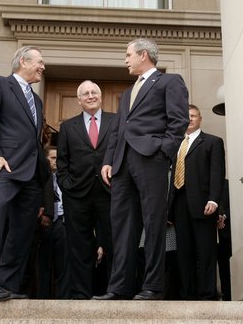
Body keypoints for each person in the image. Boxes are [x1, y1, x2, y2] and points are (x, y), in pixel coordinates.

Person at [94, 38, 189, 300]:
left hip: (151, 159)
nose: (125, 60)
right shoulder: (126, 94)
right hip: (122, 164)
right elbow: (117, 130)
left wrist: (163, 151)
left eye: (128, 55)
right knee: (123, 227)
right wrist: (108, 160)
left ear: (143, 54)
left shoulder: (170, 82)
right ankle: (118, 288)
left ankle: (153, 286)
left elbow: (179, 120)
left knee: (154, 223)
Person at [0, 46, 50, 301]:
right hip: (3, 168)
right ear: (23, 62)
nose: (43, 67)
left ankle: (6, 285)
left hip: (31, 177)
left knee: (22, 231)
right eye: (39, 62)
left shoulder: (36, 100)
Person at [56, 80, 116, 299]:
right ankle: (81, 292)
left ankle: (113, 291)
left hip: (109, 193)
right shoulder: (67, 127)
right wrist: (67, 184)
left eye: (94, 92)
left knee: (112, 243)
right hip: (77, 195)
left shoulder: (116, 121)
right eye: (85, 93)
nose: (91, 96)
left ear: (100, 97)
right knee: (79, 246)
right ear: (79, 100)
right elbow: (62, 161)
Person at [169, 104, 225, 300]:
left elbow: (217, 173)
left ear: (200, 119)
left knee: (206, 251)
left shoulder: (212, 142)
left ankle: (208, 294)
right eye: (186, 116)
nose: (190, 119)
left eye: (193, 115)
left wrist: (214, 200)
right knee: (183, 252)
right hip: (178, 204)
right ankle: (187, 294)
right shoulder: (174, 145)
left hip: (203, 204)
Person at [37, 146, 71, 299]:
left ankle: (63, 297)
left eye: (59, 158)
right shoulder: (40, 177)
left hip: (63, 222)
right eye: (53, 158)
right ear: (45, 160)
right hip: (44, 223)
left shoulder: (65, 177)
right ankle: (42, 298)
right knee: (43, 263)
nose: (57, 161)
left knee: (64, 263)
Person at [217, 179, 232, 301]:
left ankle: (227, 296)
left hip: (224, 232)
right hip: (207, 233)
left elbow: (232, 204)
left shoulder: (227, 184)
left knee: (225, 267)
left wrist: (223, 217)